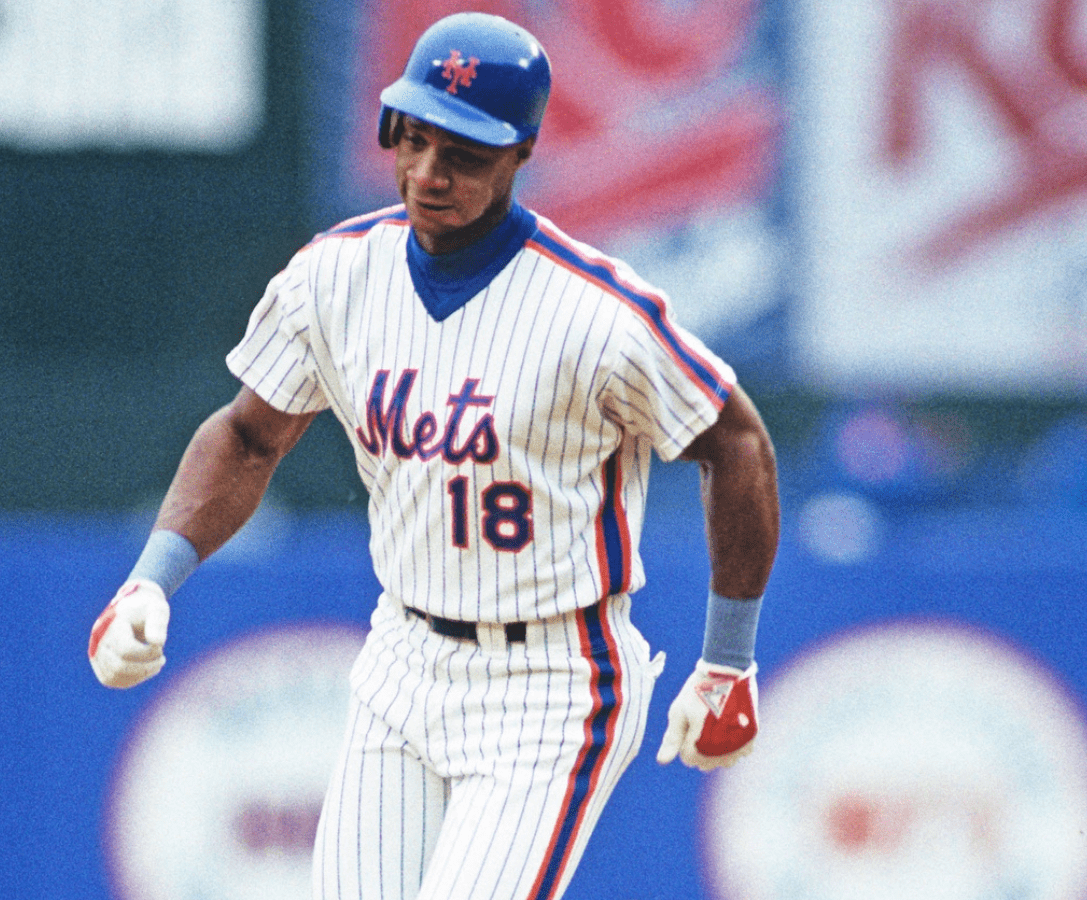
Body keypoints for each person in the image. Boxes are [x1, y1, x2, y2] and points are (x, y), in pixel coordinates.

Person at [88, 12, 779, 900]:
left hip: (552, 680)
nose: (427, 172)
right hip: (403, 656)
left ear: (520, 153)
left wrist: (727, 662)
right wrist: (150, 580)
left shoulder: (594, 313)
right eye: (413, 138)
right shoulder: (335, 275)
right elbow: (249, 434)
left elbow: (736, 441)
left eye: (463, 151)